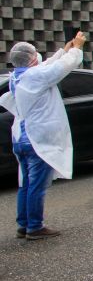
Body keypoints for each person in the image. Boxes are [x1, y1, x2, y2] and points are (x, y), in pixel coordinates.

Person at [0, 33, 87, 240]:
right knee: (37, 186)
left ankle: (24, 224)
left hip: (21, 138)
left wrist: (63, 51)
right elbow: (60, 69)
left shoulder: (17, 76)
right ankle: (35, 227)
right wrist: (76, 49)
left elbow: (46, 66)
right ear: (31, 58)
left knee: (26, 184)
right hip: (36, 141)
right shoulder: (34, 77)